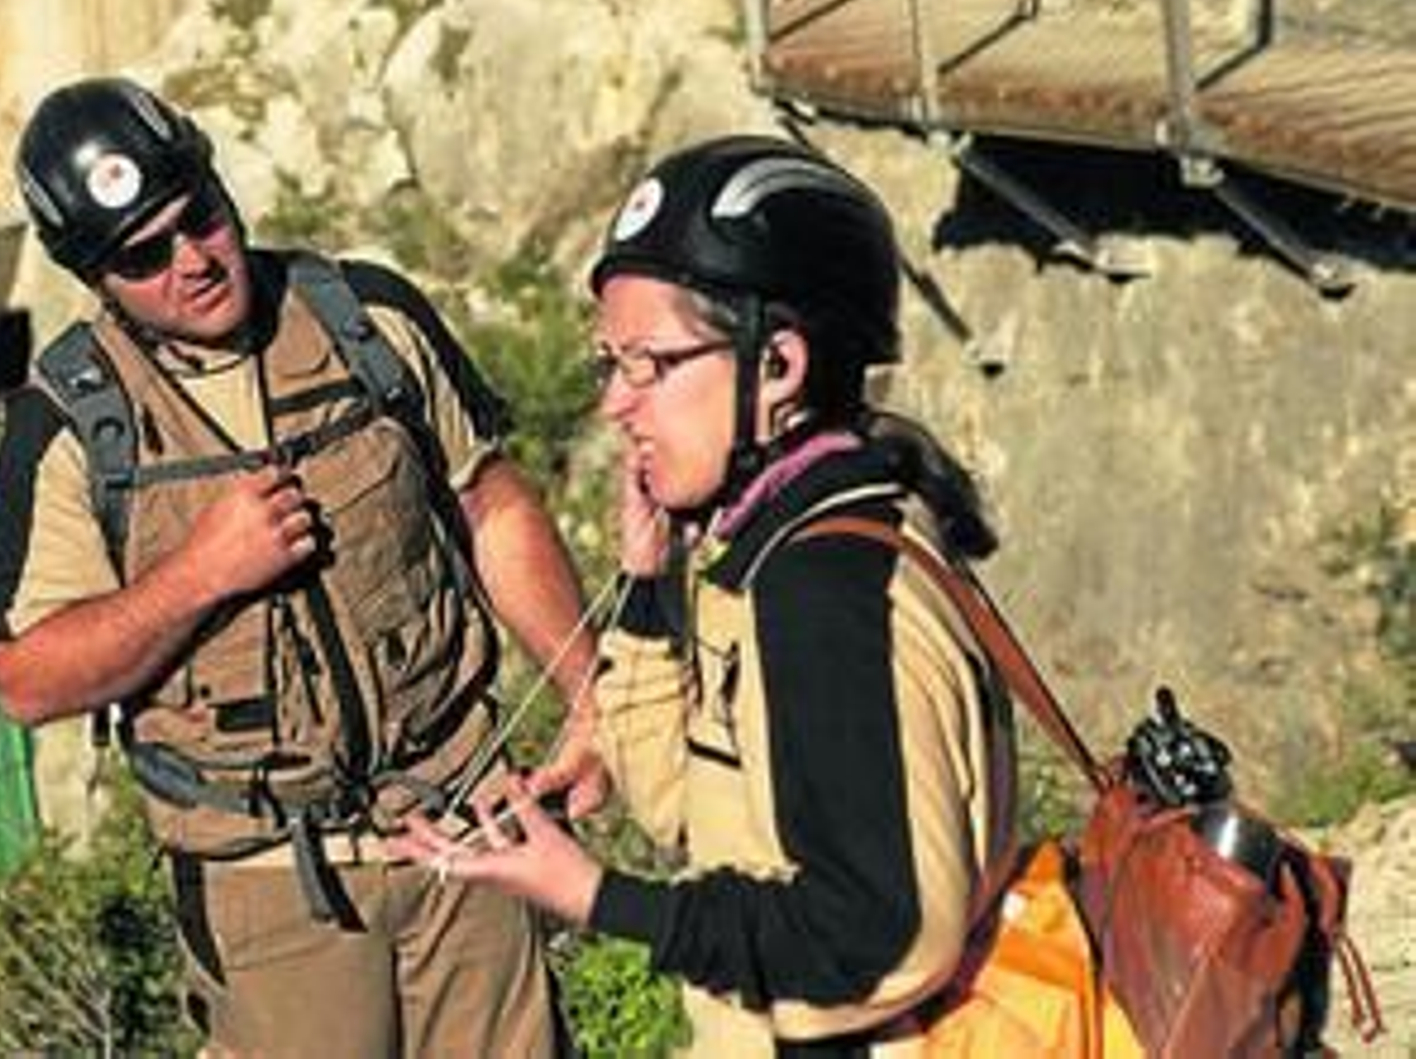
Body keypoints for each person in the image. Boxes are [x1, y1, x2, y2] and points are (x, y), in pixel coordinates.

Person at [0, 76, 608, 1056]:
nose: (193, 260)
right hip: (268, 879)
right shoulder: (66, 427)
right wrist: (199, 574)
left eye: (200, 217)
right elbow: (24, 677)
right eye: (145, 255)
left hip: (465, 820)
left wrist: (595, 700)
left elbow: (492, 503)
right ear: (96, 277)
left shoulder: (367, 319)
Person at [394, 135, 1021, 1056]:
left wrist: (597, 897)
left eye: (649, 364)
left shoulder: (825, 591)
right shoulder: (781, 542)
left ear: (779, 366)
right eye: (609, 364)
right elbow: (691, 813)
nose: (616, 404)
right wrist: (647, 586)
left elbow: (876, 938)